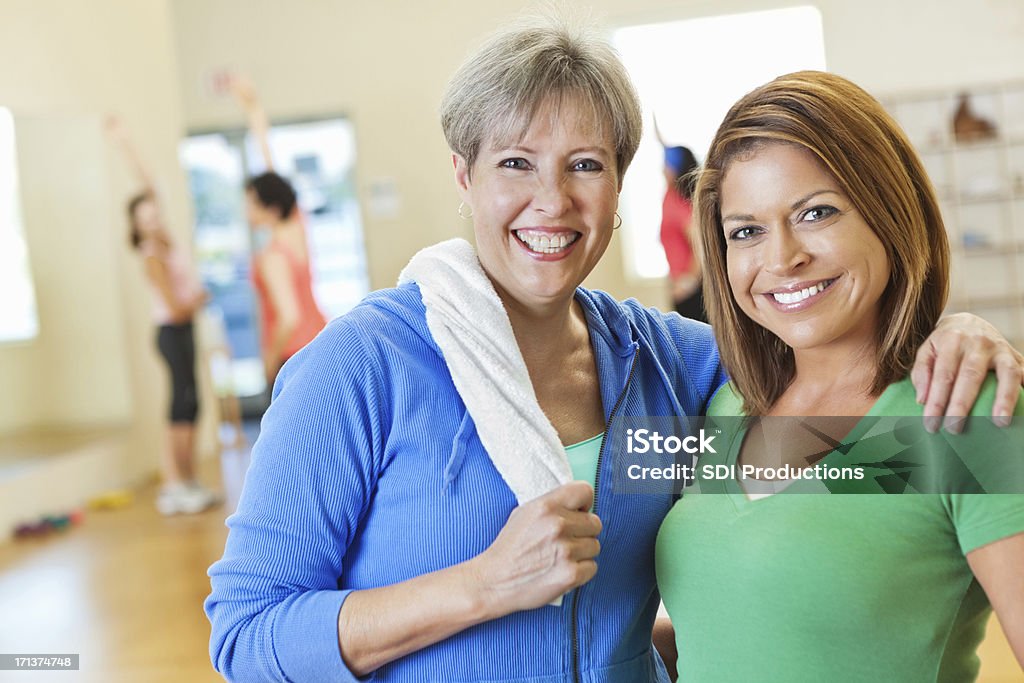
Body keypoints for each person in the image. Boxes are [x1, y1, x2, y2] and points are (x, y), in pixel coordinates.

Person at [205, 18, 1024, 683]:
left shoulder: (677, 369)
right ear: (463, 176)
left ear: (620, 182)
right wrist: (480, 587)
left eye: (585, 165)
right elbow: (246, 635)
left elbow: (866, 451)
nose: (551, 201)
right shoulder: (363, 368)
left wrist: (954, 336)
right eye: (515, 162)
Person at [656, 71, 1024, 681]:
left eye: (816, 213)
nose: (781, 259)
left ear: (888, 212)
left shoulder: (962, 410)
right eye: (746, 231)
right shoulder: (723, 409)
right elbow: (740, 623)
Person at [106, 116, 220, 516]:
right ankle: (176, 484)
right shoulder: (152, 254)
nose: (154, 216)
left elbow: (150, 183)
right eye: (146, 216)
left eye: (154, 212)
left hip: (182, 330)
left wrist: (125, 141)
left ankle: (186, 482)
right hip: (172, 331)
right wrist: (199, 298)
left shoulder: (165, 241)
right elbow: (174, 306)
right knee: (181, 407)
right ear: (137, 224)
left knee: (191, 407)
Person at [227, 76, 328, 386]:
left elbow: (289, 318)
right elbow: (272, 174)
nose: (246, 211)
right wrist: (253, 109)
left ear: (269, 208)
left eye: (250, 204)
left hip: (292, 357)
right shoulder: (295, 228)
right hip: (320, 343)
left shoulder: (272, 256)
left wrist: (269, 363)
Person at [654, 118, 705, 322]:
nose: (661, 169)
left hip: (694, 291)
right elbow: (664, 146)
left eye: (666, 165)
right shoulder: (669, 195)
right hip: (679, 284)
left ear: (674, 169)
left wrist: (689, 281)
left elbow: (700, 245)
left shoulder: (682, 202)